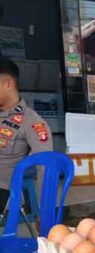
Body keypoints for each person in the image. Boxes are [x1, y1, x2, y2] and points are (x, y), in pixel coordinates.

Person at [0, 56, 53, 213]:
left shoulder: (31, 122)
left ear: (8, 84)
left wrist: (45, 211)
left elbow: (45, 167)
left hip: (7, 193)